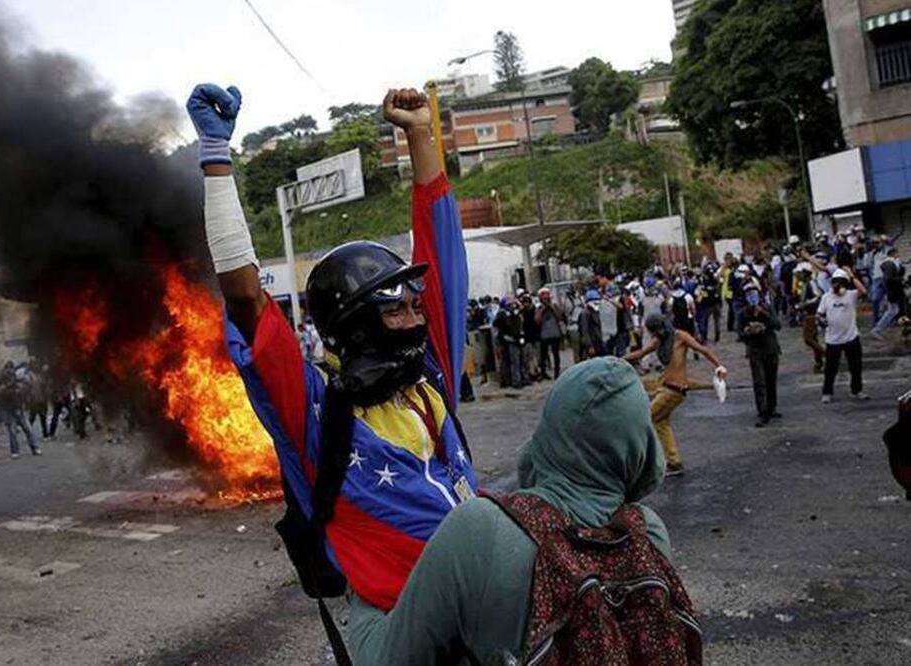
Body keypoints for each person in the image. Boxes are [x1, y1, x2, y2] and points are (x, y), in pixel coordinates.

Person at [188, 83, 478, 622]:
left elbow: (442, 249)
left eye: (416, 307)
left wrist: (419, 135)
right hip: (400, 620)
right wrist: (216, 161)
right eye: (397, 310)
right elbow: (247, 300)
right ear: (355, 325)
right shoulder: (318, 411)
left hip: (478, 596)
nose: (417, 320)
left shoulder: (428, 378)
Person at [347, 359, 699, 665]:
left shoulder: (479, 530)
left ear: (549, 431)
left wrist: (360, 584)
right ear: (640, 446)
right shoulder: (647, 535)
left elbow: (385, 659)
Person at [625, 313, 728, 476]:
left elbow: (703, 350)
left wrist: (720, 367)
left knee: (645, 420)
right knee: (660, 423)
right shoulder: (660, 339)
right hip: (666, 387)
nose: (654, 335)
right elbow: (641, 353)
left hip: (674, 390)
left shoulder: (680, 336)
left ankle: (641, 463)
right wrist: (617, 359)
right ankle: (674, 462)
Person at [816, 268, 869, 403]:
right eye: (835, 283)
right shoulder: (826, 297)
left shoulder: (850, 295)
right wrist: (821, 321)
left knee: (855, 367)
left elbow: (863, 291)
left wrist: (852, 276)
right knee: (830, 369)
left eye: (841, 283)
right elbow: (819, 314)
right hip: (833, 340)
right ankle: (827, 392)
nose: (837, 286)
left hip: (851, 337)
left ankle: (857, 390)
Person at [737, 283, 781, 427]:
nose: (752, 297)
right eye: (749, 295)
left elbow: (777, 325)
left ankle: (772, 407)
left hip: (770, 349)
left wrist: (763, 315)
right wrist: (749, 332)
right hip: (755, 351)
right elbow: (740, 335)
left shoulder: (767, 308)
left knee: (771, 380)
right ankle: (762, 412)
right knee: (759, 382)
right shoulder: (743, 314)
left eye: (754, 294)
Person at [871, 247, 906, 339]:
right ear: (893, 254)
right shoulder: (889, 264)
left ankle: (878, 329)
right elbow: (889, 278)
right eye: (897, 254)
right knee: (892, 311)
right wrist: (900, 281)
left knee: (895, 310)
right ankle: (877, 330)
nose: (898, 256)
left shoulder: (893, 263)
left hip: (895, 291)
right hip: (893, 291)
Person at [535, 288, 565, 378]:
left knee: (556, 354)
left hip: (555, 333)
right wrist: (543, 309)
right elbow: (537, 321)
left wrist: (552, 307)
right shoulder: (539, 308)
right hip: (544, 335)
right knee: (543, 355)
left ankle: (557, 372)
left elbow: (560, 317)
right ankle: (543, 372)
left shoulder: (554, 306)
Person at [579, 289, 605, 358]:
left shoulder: (596, 311)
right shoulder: (585, 313)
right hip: (593, 343)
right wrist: (589, 346)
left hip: (599, 342)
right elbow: (585, 331)